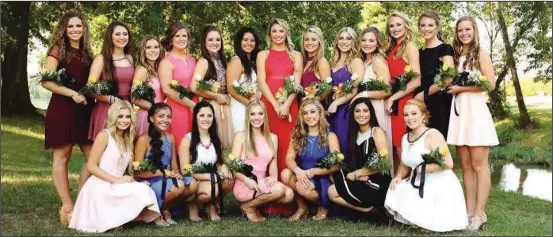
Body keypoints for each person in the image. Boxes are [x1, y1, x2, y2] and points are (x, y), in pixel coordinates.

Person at [69, 100, 162, 233]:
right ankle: (114, 218)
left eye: (128, 116)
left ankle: (120, 218)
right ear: (113, 117)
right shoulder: (104, 135)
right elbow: (91, 166)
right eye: (120, 116)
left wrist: (131, 181)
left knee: (144, 189)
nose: (124, 120)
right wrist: (116, 180)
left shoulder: (127, 138)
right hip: (101, 184)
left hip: (118, 182)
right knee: (140, 191)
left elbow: (122, 169)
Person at [41, 11, 95, 225]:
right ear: (64, 28)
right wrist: (71, 93)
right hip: (62, 108)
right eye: (71, 26)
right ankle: (67, 206)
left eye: (78, 26)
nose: (75, 30)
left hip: (84, 109)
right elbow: (47, 82)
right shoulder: (57, 50)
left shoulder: (87, 53)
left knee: (94, 158)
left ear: (84, 29)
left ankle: (82, 200)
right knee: (62, 156)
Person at [384, 99, 468, 232]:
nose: (409, 118)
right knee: (396, 187)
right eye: (406, 115)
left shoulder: (433, 135)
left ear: (423, 115)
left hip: (439, 182)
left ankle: (429, 221)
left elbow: (449, 163)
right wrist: (398, 176)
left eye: (413, 113)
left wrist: (422, 168)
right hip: (418, 180)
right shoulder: (405, 138)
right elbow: (404, 164)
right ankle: (418, 218)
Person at [448, 16, 499, 231]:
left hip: (475, 113)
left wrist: (461, 89)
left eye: (467, 29)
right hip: (459, 114)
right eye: (460, 30)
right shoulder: (456, 56)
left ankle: (480, 214)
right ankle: (468, 212)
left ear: (474, 31)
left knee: (479, 166)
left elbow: (491, 84)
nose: (464, 33)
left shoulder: (480, 54)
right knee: (466, 166)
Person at [256, 18, 303, 215]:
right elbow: (261, 81)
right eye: (273, 31)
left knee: (288, 147)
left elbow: (297, 82)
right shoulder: (262, 54)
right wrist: (275, 105)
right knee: (269, 148)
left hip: (290, 105)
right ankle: (269, 199)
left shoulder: (295, 55)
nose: (277, 34)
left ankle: (294, 202)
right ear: (269, 34)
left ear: (286, 33)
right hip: (269, 105)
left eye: (281, 31)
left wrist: (286, 104)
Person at [133, 103, 198, 226]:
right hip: (148, 181)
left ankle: (165, 208)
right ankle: (155, 211)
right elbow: (137, 171)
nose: (165, 120)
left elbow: (173, 165)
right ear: (152, 118)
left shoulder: (171, 137)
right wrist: (163, 173)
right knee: (177, 186)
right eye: (161, 116)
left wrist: (177, 175)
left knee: (191, 184)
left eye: (168, 117)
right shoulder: (143, 140)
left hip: (165, 177)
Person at [231, 100, 294, 222]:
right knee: (280, 190)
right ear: (248, 116)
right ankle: (248, 207)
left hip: (261, 181)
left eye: (260, 114)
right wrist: (246, 179)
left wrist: (274, 177)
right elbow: (233, 167)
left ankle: (252, 205)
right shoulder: (240, 136)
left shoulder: (272, 138)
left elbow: (272, 163)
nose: (256, 118)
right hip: (245, 182)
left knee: (289, 195)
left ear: (265, 115)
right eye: (252, 114)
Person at [328, 98, 391, 218]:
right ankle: (371, 211)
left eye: (365, 111)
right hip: (362, 179)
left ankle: (376, 209)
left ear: (371, 113)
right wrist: (359, 175)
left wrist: (358, 174)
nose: (361, 114)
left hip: (377, 183)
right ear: (353, 114)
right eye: (357, 111)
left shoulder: (376, 132)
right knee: (333, 182)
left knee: (332, 192)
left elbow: (384, 163)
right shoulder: (355, 134)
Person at [280, 98, 341, 221]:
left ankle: (324, 205)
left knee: (303, 188)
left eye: (312, 112)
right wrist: (297, 170)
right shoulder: (297, 134)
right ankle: (303, 208)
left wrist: (314, 171)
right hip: (303, 174)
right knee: (285, 174)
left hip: (321, 177)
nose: (309, 116)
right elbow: (289, 158)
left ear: (320, 113)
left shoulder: (331, 136)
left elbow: (336, 165)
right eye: (305, 113)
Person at [178, 101, 234, 221]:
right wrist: (209, 177)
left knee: (229, 179)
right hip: (195, 179)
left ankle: (211, 205)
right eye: (202, 115)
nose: (206, 119)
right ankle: (193, 203)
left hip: (211, 176)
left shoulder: (215, 139)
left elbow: (219, 162)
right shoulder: (187, 140)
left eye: (209, 115)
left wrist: (223, 167)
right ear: (195, 117)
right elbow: (185, 171)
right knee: (209, 191)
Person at [384, 12, 421, 174]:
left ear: (406, 25)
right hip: (392, 103)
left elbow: (417, 80)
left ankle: (412, 187)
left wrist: (393, 97)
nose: (395, 28)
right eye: (391, 26)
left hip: (404, 102)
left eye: (399, 24)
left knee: (402, 149)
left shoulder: (409, 46)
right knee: (395, 148)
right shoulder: (391, 48)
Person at [351, 26, 393, 166]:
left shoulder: (378, 61)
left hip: (377, 108)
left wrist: (364, 94)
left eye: (371, 40)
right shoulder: (362, 62)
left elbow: (387, 90)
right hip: (364, 110)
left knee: (379, 148)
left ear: (378, 43)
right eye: (364, 40)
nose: (367, 43)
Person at [88, 20, 134, 141]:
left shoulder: (130, 58)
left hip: (126, 109)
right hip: (107, 109)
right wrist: (112, 99)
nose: (122, 37)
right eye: (117, 34)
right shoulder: (101, 59)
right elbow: (89, 89)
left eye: (125, 34)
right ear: (110, 37)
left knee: (124, 149)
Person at [190, 26, 234, 150]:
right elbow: (194, 86)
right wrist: (215, 95)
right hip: (212, 107)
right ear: (204, 42)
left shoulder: (222, 61)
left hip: (224, 106)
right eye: (210, 40)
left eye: (217, 40)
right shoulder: (204, 61)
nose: (214, 43)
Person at [414, 11, 454, 137]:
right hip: (419, 104)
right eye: (423, 25)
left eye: (430, 25)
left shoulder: (445, 48)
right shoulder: (418, 51)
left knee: (436, 145)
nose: (426, 29)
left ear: (437, 27)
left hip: (439, 103)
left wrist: (424, 94)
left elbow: (449, 76)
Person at [327, 27, 365, 160]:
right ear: (337, 41)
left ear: (354, 42)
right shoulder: (331, 63)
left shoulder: (356, 62)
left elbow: (354, 90)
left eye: (348, 38)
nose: (344, 41)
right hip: (329, 112)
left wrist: (336, 103)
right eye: (341, 38)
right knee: (330, 149)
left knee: (343, 147)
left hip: (345, 112)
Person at [159, 22, 197, 148]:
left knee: (195, 143)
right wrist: (190, 104)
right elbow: (167, 89)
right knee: (181, 144)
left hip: (195, 105)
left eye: (184, 36)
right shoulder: (166, 61)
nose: (181, 39)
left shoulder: (192, 59)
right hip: (178, 107)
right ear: (171, 38)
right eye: (177, 36)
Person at [227, 27, 261, 133]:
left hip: (253, 107)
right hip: (241, 107)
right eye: (245, 40)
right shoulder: (237, 61)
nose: (249, 43)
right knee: (243, 138)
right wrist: (249, 104)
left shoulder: (252, 62)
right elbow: (231, 88)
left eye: (252, 40)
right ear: (239, 42)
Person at [133, 36, 166, 136]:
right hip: (147, 117)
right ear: (143, 50)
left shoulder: (158, 69)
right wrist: (156, 109)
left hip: (159, 117)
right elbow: (134, 98)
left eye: (156, 47)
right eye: (148, 47)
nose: (153, 50)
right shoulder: (142, 70)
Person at [300, 26, 331, 91]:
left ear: (319, 42)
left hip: (312, 101)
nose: (309, 43)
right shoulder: (303, 61)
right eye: (306, 39)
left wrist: (314, 98)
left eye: (313, 40)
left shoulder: (322, 61)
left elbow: (327, 90)